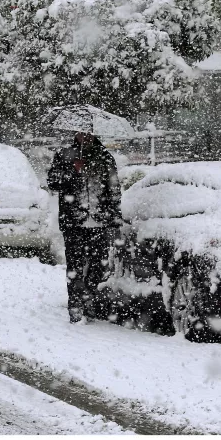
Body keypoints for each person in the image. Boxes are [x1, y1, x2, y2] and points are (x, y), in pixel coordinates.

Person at [47, 131, 123, 323]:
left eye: (88, 134)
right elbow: (53, 183)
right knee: (75, 265)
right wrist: (73, 171)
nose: (85, 137)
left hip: (99, 221)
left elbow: (114, 189)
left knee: (99, 265)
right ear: (76, 135)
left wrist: (114, 216)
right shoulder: (65, 155)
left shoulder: (104, 157)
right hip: (73, 221)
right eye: (81, 134)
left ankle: (89, 298)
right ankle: (75, 306)